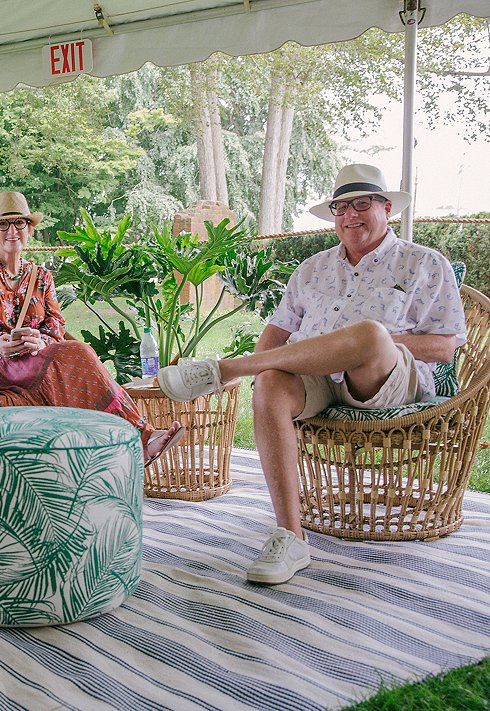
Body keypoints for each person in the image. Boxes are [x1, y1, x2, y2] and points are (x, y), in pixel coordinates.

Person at [156, 164, 467, 585]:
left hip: (386, 379)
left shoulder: (424, 263)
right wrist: (270, 361)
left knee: (370, 335)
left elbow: (445, 346)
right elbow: (278, 329)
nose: (350, 215)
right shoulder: (313, 267)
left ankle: (223, 371)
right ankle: (290, 534)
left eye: (362, 204)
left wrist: (375, 344)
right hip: (316, 380)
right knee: (270, 381)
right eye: (341, 207)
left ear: (387, 208)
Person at [0, 190, 185, 467]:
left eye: (19, 223)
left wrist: (40, 342)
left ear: (29, 230)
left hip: (38, 359)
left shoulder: (40, 276)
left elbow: (56, 325)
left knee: (72, 359)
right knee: (77, 353)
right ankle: (139, 437)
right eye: (3, 224)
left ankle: (119, 448)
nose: (12, 231)